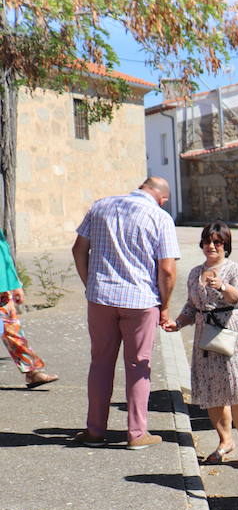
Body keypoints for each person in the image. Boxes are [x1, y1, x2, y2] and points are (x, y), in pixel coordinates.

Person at [71, 176, 181, 449]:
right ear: (162, 198)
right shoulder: (160, 217)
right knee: (138, 365)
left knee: (100, 363)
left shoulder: (100, 206)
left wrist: (91, 284)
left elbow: (78, 250)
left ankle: (95, 431)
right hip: (140, 301)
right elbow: (167, 269)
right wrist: (164, 306)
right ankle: (136, 433)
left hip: (101, 298)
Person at [168, 222, 238, 466]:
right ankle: (225, 441)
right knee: (211, 392)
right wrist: (178, 323)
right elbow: (192, 305)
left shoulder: (234, 269)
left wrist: (223, 286)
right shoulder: (196, 272)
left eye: (217, 242)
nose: (211, 246)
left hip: (231, 334)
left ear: (225, 245)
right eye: (207, 241)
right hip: (205, 336)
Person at [0, 228, 58, 388]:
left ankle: (32, 373)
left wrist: (15, 283)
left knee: (13, 331)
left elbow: (3, 253)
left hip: (2, 289)